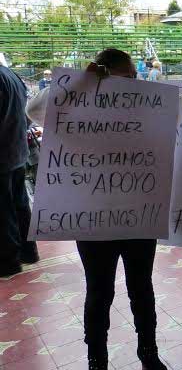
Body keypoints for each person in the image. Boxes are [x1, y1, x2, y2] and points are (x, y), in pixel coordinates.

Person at [26, 49, 166, 370]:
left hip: (139, 214)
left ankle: (148, 351)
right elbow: (34, 109)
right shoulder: (77, 103)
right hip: (93, 219)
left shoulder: (145, 105)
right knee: (99, 292)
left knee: (141, 288)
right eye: (127, 76)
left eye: (135, 76)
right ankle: (96, 359)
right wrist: (83, 83)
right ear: (104, 74)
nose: (134, 82)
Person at [0, 64, 39, 277]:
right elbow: (27, 113)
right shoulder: (10, 74)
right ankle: (29, 252)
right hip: (16, 150)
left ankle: (8, 262)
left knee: (3, 211)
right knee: (20, 205)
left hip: (3, 156)